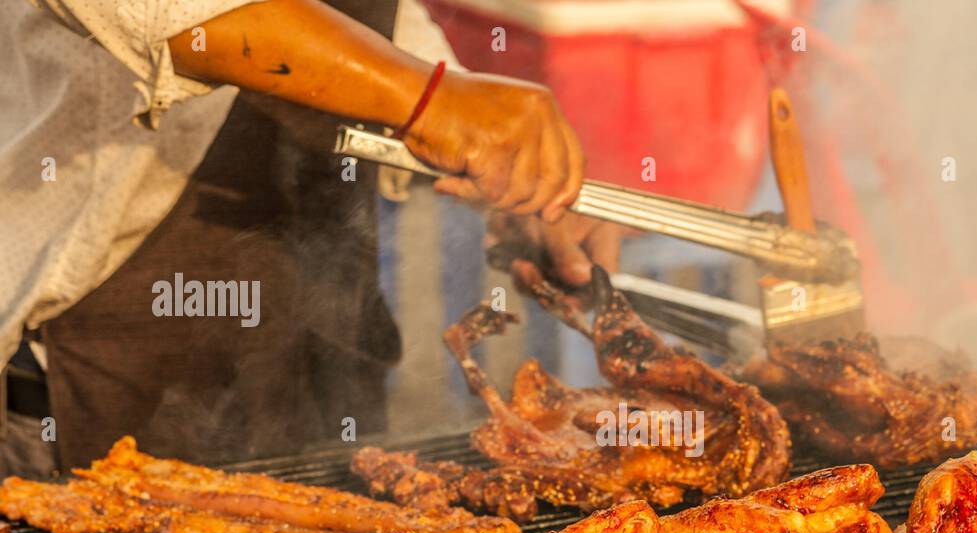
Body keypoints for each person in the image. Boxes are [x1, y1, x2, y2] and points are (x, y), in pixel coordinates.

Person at [0, 0, 621, 475]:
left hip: (317, 353)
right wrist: (430, 97)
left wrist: (491, 152)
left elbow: (366, 14)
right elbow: (180, 15)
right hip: (92, 350)